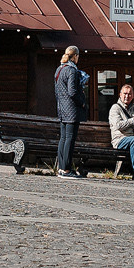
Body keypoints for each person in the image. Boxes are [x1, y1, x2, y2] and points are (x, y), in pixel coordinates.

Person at [53, 46, 90, 177]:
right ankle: (66, 169)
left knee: (63, 138)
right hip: (72, 110)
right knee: (70, 139)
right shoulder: (72, 71)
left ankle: (62, 168)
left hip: (62, 109)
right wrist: (83, 103)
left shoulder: (59, 69)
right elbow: (72, 91)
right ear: (75, 56)